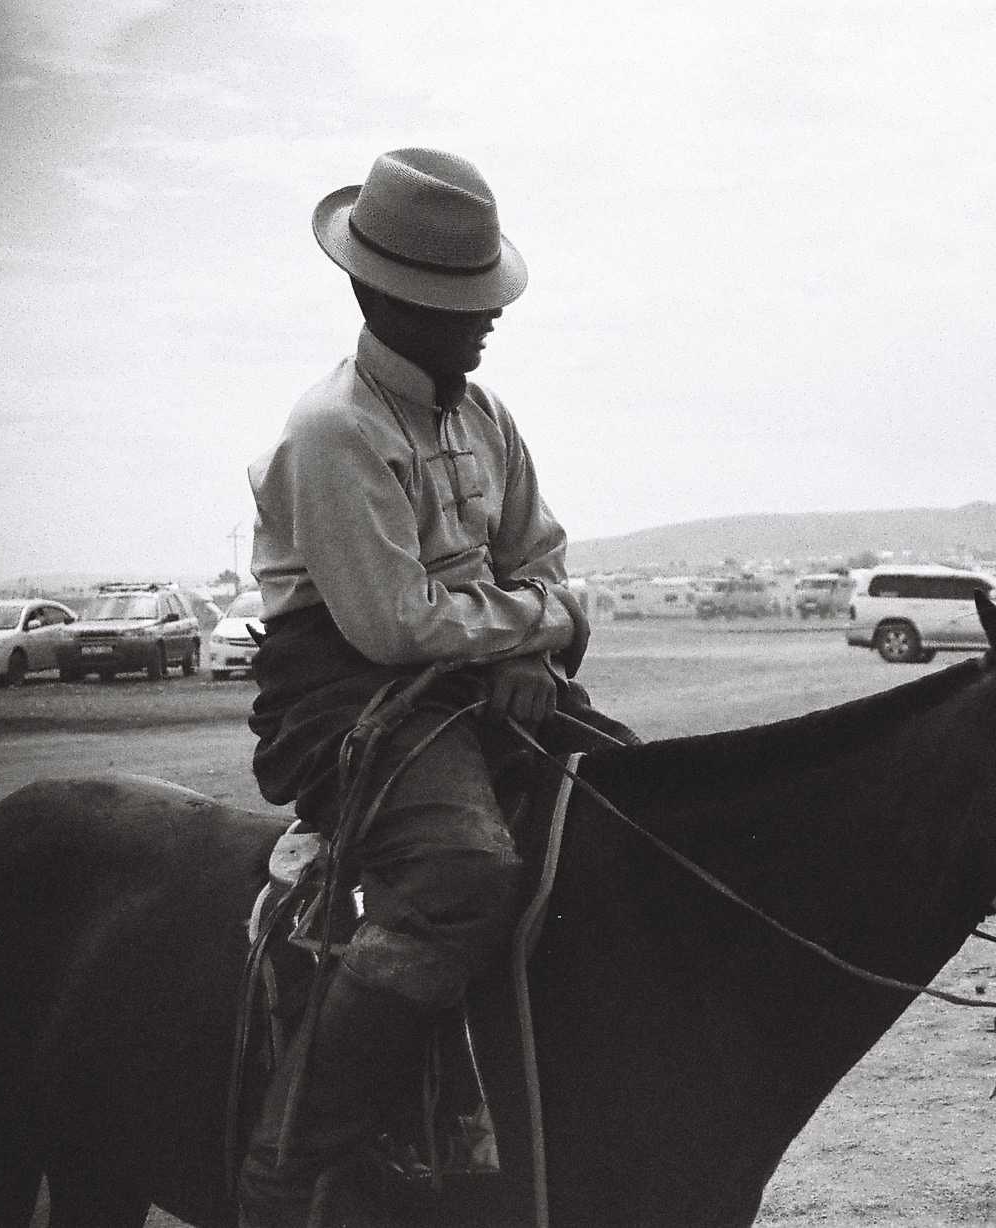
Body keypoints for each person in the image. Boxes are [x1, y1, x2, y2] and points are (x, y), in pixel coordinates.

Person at [238, 147, 630, 1226]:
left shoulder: (488, 415)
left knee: (642, 803)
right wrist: (540, 627)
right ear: (382, 296)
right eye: (462, 302)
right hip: (343, 685)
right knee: (463, 864)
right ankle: (295, 1146)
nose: (487, 318)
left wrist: (530, 651)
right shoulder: (334, 431)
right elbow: (395, 621)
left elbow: (541, 557)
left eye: (485, 296)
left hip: (465, 672)